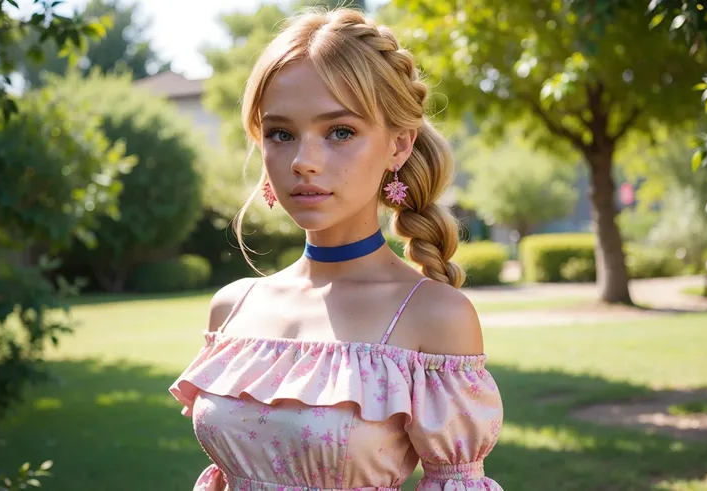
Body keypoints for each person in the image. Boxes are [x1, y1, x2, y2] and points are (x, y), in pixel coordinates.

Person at [170, 7, 504, 491]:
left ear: (399, 145)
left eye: (340, 132)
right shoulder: (231, 307)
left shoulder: (436, 316)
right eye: (281, 134)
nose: (304, 162)